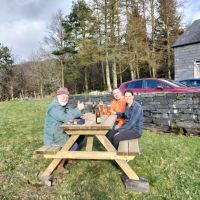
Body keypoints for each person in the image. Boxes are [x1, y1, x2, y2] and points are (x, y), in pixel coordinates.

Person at [43, 87, 85, 174]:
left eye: (66, 96)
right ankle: (59, 165)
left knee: (81, 135)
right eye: (62, 96)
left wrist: (79, 116)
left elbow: (70, 113)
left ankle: (69, 157)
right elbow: (65, 117)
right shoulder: (54, 107)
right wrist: (78, 109)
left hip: (61, 131)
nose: (65, 98)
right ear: (57, 96)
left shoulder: (64, 105)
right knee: (68, 142)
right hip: (54, 136)